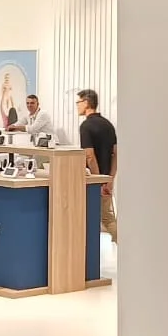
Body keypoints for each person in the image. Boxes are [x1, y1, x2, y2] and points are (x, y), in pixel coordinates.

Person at [76, 89, 118, 244]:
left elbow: (90, 156)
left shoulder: (86, 126)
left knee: (88, 219)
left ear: (86, 103)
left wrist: (98, 181)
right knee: (108, 218)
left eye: (78, 102)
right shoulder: (108, 125)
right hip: (106, 181)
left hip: (94, 183)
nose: (77, 105)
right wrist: (110, 179)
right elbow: (116, 154)